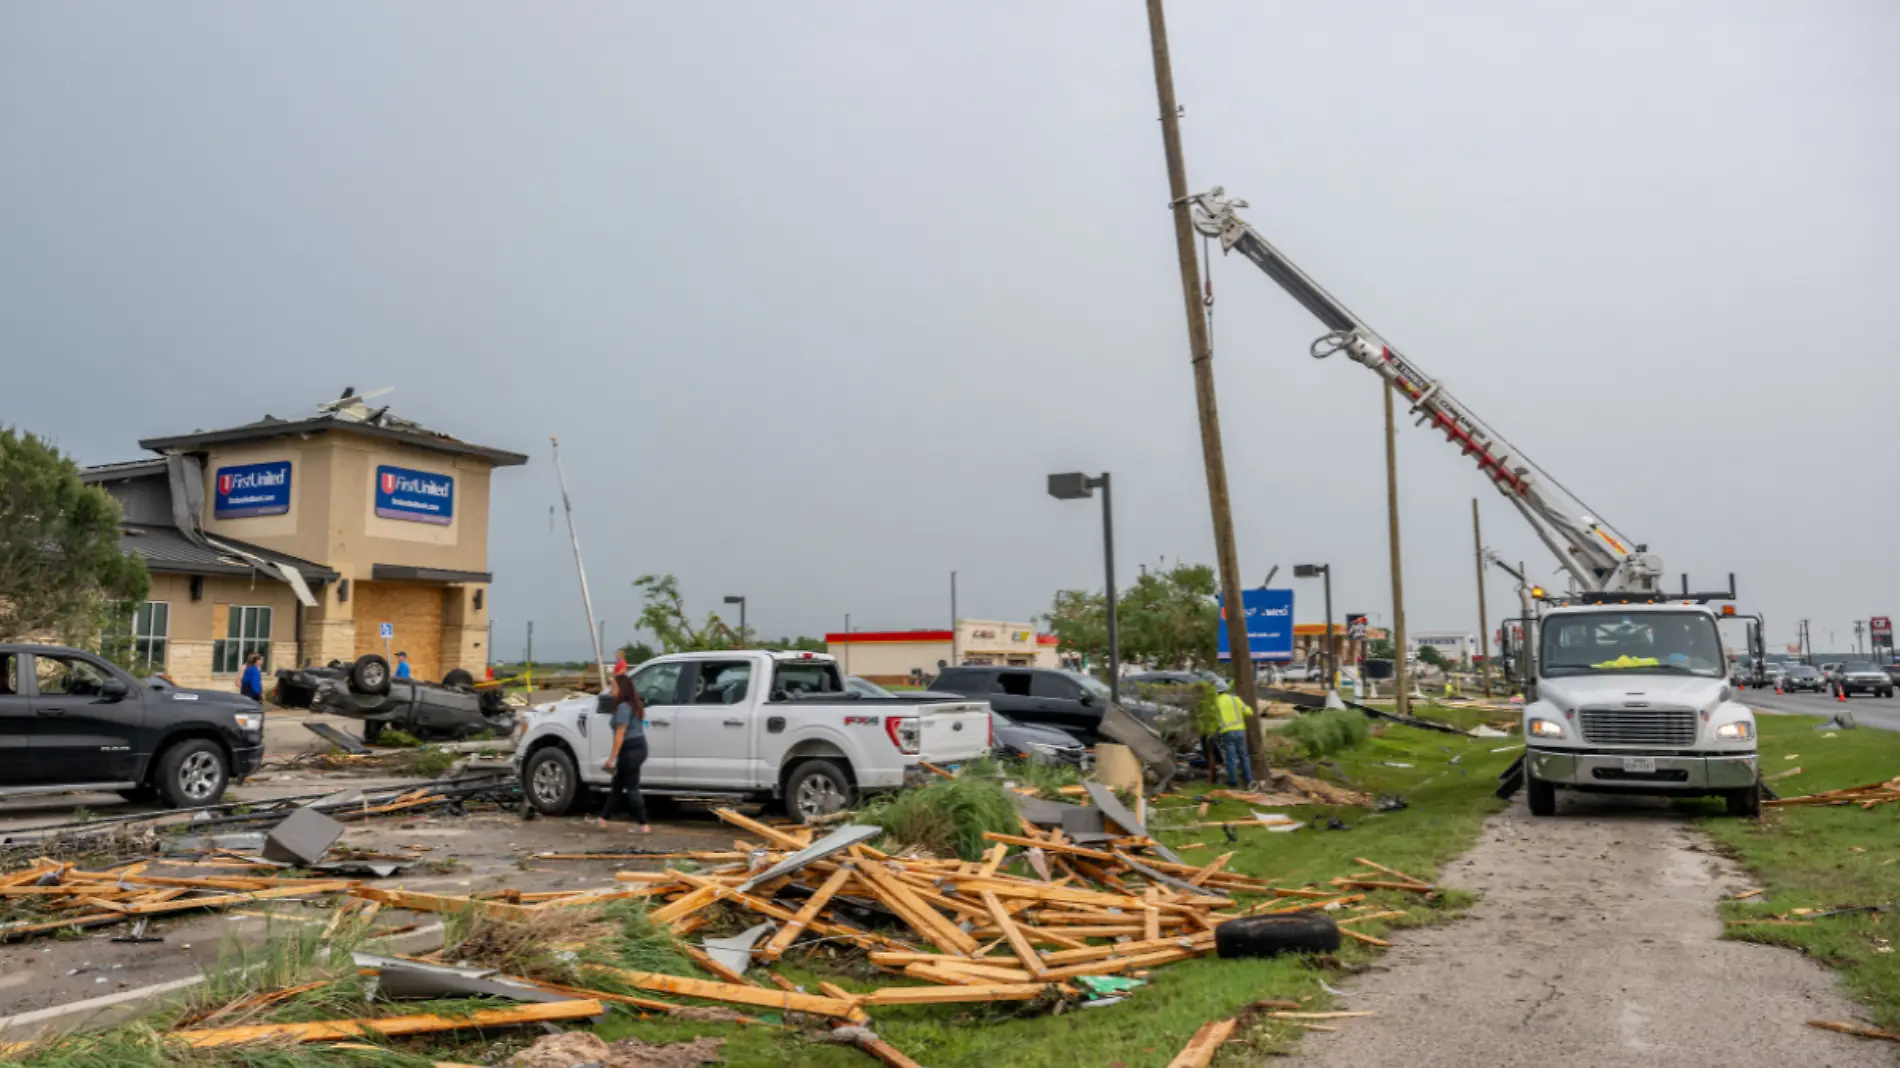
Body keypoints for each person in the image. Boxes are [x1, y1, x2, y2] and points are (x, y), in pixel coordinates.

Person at [599, 673, 650, 833]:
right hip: (639, 746)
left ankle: (644, 825)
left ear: (622, 688)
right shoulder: (635, 705)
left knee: (632, 788)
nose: (610, 689)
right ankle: (603, 819)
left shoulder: (623, 708)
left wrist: (611, 758)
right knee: (618, 785)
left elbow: (620, 735)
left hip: (630, 749)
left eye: (613, 686)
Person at [1213, 689, 1253, 788]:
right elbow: (1249, 712)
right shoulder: (1235, 699)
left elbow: (1214, 720)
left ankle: (1233, 781)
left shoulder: (1216, 702)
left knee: (1231, 757)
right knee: (1244, 756)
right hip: (1240, 731)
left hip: (1227, 732)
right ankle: (1249, 780)